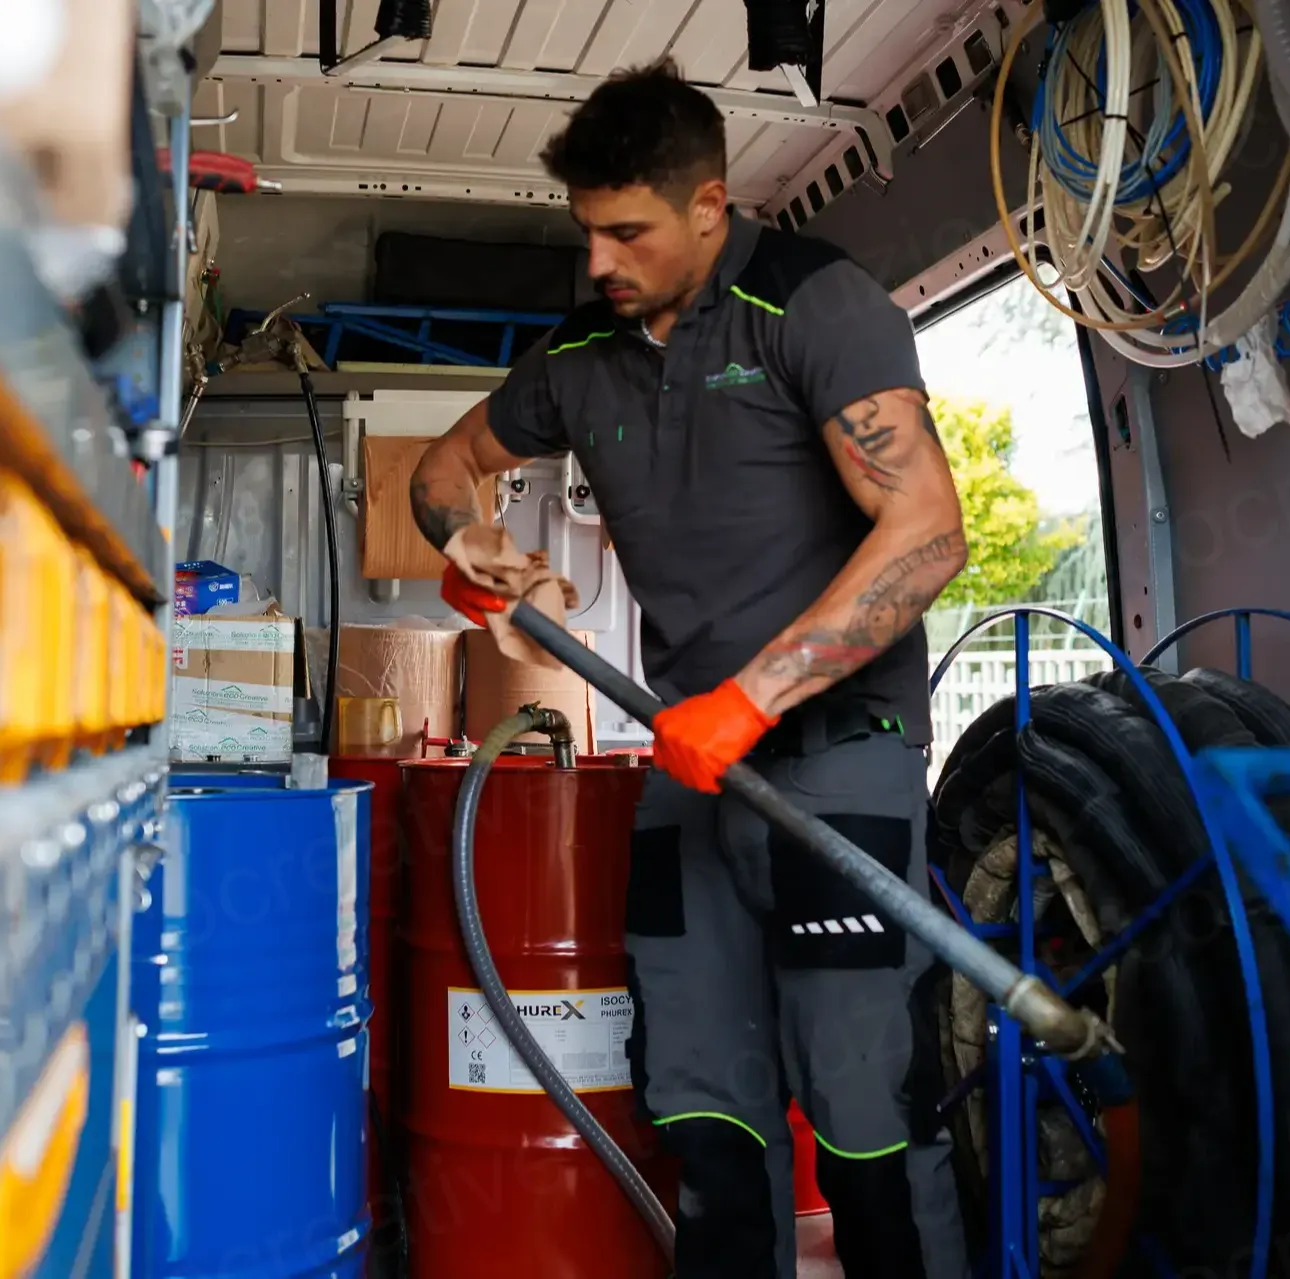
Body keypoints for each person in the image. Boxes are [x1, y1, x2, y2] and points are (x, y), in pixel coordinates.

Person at [409, 57, 971, 1279]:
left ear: (709, 207)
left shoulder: (815, 308)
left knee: (867, 1113)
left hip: (835, 767)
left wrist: (753, 701)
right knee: (701, 1107)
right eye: (587, 232)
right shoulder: (577, 354)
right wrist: (476, 549)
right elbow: (442, 469)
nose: (598, 261)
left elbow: (927, 531)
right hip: (685, 766)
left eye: (628, 232)